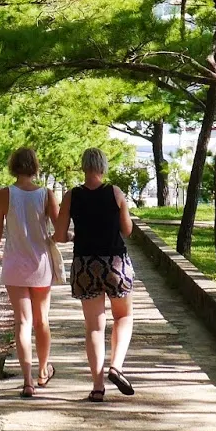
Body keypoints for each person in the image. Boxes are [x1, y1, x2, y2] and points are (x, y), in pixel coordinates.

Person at [55, 147, 135, 402]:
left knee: (94, 327)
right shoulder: (115, 192)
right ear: (103, 167)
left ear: (83, 167)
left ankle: (98, 387)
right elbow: (128, 230)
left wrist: (73, 235)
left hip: (84, 266)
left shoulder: (71, 196)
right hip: (115, 263)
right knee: (123, 316)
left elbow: (59, 235)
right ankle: (117, 366)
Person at [0, 147, 61, 398]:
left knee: (22, 322)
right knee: (42, 320)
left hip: (14, 264)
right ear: (34, 166)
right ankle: (43, 370)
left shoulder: (2, 195)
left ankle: (27, 381)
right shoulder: (46, 195)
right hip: (40, 264)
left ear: (13, 166)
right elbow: (60, 227)